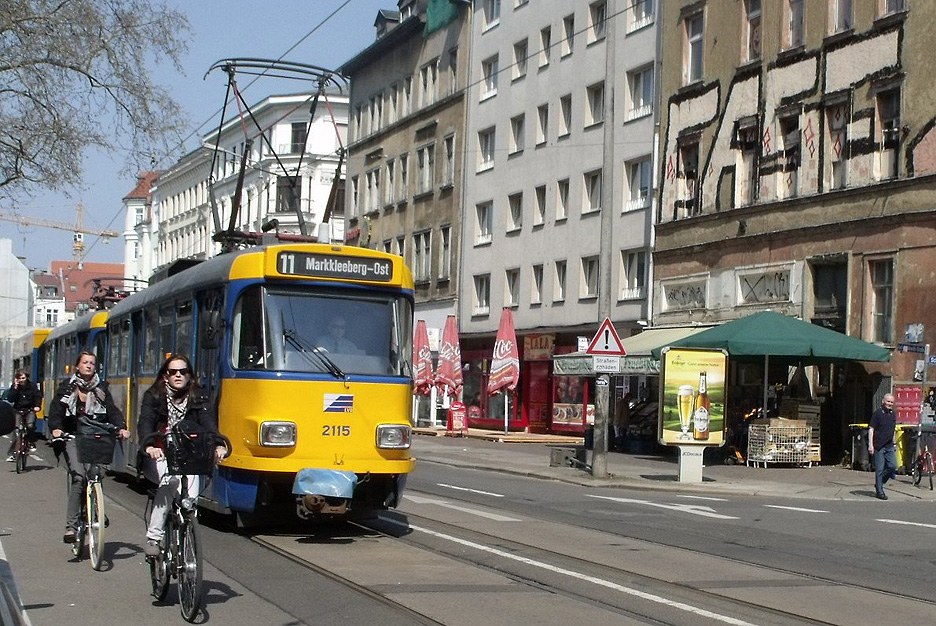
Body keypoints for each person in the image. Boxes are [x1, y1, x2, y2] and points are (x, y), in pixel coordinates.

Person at [139, 354, 226, 557]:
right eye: (173, 372)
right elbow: (145, 422)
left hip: (188, 456)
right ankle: (154, 537)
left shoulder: (199, 396)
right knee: (170, 481)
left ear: (189, 376)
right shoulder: (154, 396)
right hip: (159, 455)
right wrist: (149, 446)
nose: (178, 375)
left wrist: (218, 445)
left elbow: (208, 424)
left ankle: (186, 538)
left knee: (190, 501)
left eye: (183, 371)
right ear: (165, 376)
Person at [46, 351, 129, 543]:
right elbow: (56, 411)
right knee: (79, 476)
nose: (89, 365)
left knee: (96, 473)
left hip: (94, 436)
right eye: (85, 362)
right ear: (78, 366)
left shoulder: (101, 388)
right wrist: (56, 429)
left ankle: (96, 508)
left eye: (92, 363)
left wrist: (121, 427)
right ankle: (71, 527)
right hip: (73, 437)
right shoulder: (67, 388)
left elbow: (112, 411)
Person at [4, 369, 42, 460]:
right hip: (18, 410)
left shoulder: (32, 386)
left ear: (27, 378)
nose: (21, 380)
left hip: (29, 410)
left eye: (23, 378)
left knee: (30, 425)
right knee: (17, 431)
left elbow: (38, 397)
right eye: (19, 378)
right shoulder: (15, 387)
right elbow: (10, 399)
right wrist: (15, 388)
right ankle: (14, 453)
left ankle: (31, 442)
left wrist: (37, 406)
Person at [869, 393, 897, 500]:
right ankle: (879, 492)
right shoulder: (877, 414)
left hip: (889, 446)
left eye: (891, 402)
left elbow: (893, 430)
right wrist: (871, 445)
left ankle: (879, 483)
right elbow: (871, 429)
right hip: (879, 446)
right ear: (883, 401)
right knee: (879, 469)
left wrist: (894, 443)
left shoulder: (893, 414)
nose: (890, 404)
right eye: (888, 401)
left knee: (892, 466)